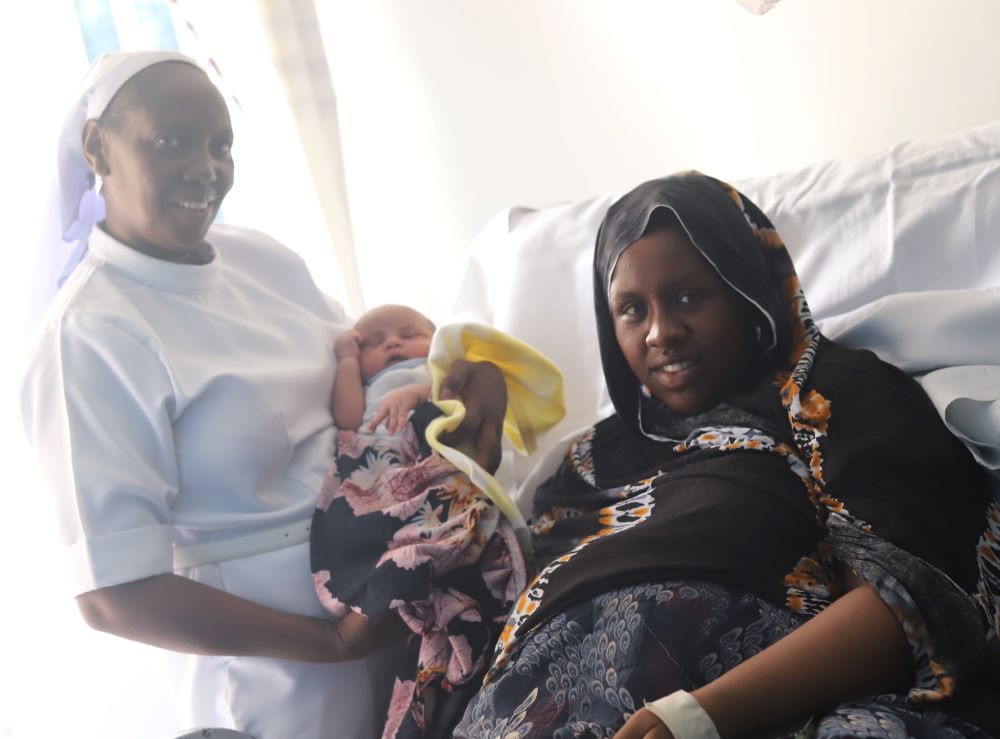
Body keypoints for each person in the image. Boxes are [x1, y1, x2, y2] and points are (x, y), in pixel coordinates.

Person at [19, 50, 507, 739]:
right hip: (277, 680)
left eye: (221, 145)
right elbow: (111, 593)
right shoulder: (90, 337)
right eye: (171, 142)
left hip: (394, 609)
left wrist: (464, 380)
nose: (205, 168)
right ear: (98, 147)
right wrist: (329, 643)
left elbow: (369, 373)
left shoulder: (263, 259)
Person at [455, 172, 1000, 739]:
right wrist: (461, 455)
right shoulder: (585, 463)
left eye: (689, 297)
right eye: (632, 309)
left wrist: (699, 716)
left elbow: (916, 598)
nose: (660, 332)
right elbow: (475, 607)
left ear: (745, 291)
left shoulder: (825, 396)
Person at [331, 304, 435, 436]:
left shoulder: (439, 367)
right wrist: (347, 358)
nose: (392, 342)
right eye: (373, 343)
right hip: (378, 450)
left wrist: (422, 392)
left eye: (409, 336)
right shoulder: (364, 388)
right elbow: (348, 422)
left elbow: (460, 398)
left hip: (439, 446)